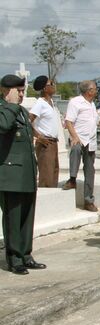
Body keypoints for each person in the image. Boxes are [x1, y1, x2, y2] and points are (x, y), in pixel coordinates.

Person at [0, 74, 46, 275]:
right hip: (10, 175)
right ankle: (14, 258)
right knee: (13, 218)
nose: (21, 95)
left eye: (22, 91)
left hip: (26, 172)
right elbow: (3, 127)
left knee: (27, 217)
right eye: (18, 91)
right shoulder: (5, 109)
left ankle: (26, 255)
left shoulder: (21, 110)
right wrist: (10, 104)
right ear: (5, 91)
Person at [63, 80, 99, 212]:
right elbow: (69, 121)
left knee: (90, 171)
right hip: (79, 138)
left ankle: (89, 200)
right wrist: (75, 137)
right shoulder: (75, 102)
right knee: (75, 150)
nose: (96, 91)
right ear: (89, 91)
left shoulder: (92, 104)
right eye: (95, 88)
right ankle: (72, 179)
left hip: (91, 140)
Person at [30, 75, 61, 188]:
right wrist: (38, 136)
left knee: (54, 173)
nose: (54, 86)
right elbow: (28, 121)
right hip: (45, 144)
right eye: (51, 84)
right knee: (46, 176)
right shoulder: (40, 104)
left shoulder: (51, 102)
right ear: (44, 88)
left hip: (53, 142)